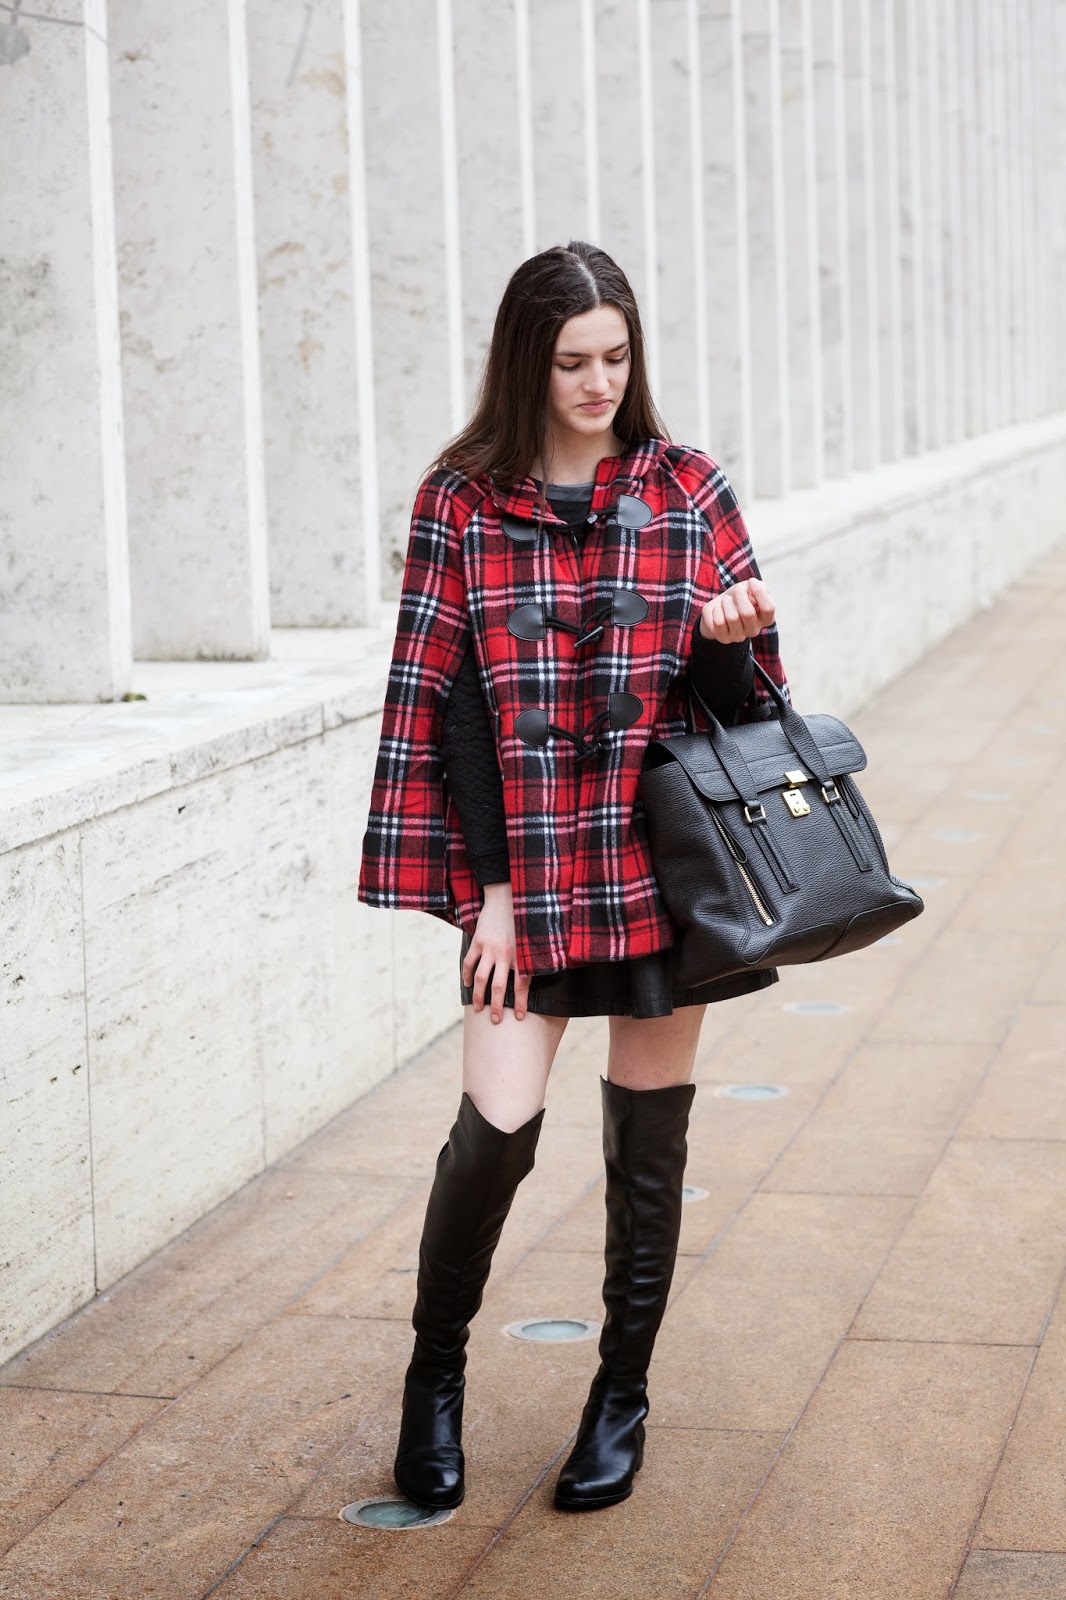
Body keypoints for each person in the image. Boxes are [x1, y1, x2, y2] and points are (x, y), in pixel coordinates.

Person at [357, 240, 787, 1514]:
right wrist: (487, 895)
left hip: (660, 869)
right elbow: (449, 703)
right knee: (493, 1132)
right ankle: (433, 1380)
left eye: (615, 357)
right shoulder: (460, 499)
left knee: (649, 1145)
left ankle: (620, 1396)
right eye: (571, 363)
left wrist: (729, 647)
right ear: (524, 366)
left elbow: (745, 715)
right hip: (529, 871)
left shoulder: (688, 485)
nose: (599, 383)